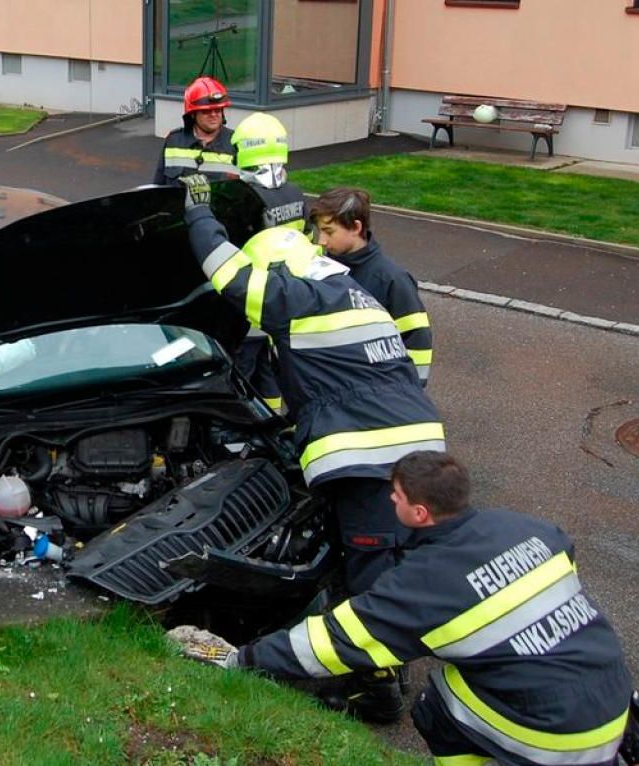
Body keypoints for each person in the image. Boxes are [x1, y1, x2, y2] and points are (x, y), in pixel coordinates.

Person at [169, 451, 639, 766]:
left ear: (418, 513)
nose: (387, 500)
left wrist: (239, 659)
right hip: (612, 697)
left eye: (393, 496)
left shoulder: (425, 585)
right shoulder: (530, 529)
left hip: (554, 737)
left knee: (437, 699)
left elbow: (330, 642)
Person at [180, 176, 447, 718]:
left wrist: (197, 214)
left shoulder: (296, 294)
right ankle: (383, 659)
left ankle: (373, 692)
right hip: (415, 444)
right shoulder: (353, 292)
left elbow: (228, 275)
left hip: (371, 457)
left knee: (371, 573)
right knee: (390, 561)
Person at [212, 112, 310, 413]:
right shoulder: (295, 193)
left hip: (246, 308)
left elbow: (222, 249)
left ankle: (242, 431)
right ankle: (274, 427)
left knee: (238, 379)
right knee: (270, 375)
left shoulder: (238, 197)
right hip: (284, 304)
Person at [310, 187, 434, 386]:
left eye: (328, 231)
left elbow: (417, 339)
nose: (321, 241)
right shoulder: (319, 269)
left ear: (356, 227)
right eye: (319, 231)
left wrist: (410, 391)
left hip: (376, 391)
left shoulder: (391, 279)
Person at [152, 76, 236, 186]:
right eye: (206, 111)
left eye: (218, 110)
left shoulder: (235, 142)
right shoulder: (174, 141)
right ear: (193, 114)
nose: (214, 115)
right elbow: (158, 186)